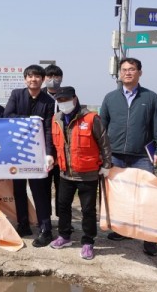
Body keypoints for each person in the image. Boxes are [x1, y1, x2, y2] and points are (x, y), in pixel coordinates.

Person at [99, 57, 157, 256]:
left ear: (140, 73)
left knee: (148, 197)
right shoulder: (110, 98)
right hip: (115, 156)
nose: (127, 73)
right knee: (120, 197)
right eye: (124, 70)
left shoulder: (151, 98)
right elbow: (102, 126)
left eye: (132, 69)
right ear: (119, 73)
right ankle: (124, 231)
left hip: (142, 156)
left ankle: (150, 238)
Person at [49, 86, 112, 260]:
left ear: (75, 99)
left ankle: (88, 242)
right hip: (65, 174)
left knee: (88, 210)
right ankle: (64, 236)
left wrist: (107, 164)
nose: (63, 103)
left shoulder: (91, 118)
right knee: (62, 206)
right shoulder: (56, 119)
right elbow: (55, 144)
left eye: (66, 100)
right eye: (59, 101)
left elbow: (104, 143)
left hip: (88, 174)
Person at [3, 64, 55, 247]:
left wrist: (49, 153)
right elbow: (7, 115)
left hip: (37, 153)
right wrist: (28, 120)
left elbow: (49, 128)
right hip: (18, 152)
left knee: (39, 191)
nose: (33, 79)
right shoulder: (17, 94)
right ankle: (23, 224)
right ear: (25, 79)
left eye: (37, 76)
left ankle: (45, 228)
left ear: (43, 79)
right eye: (30, 76)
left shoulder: (48, 101)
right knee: (19, 190)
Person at [42, 64, 63, 217]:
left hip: (62, 147)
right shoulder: (40, 96)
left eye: (56, 76)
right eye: (49, 76)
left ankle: (62, 217)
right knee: (44, 185)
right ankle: (45, 217)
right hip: (44, 146)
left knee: (62, 185)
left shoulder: (67, 94)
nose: (53, 80)